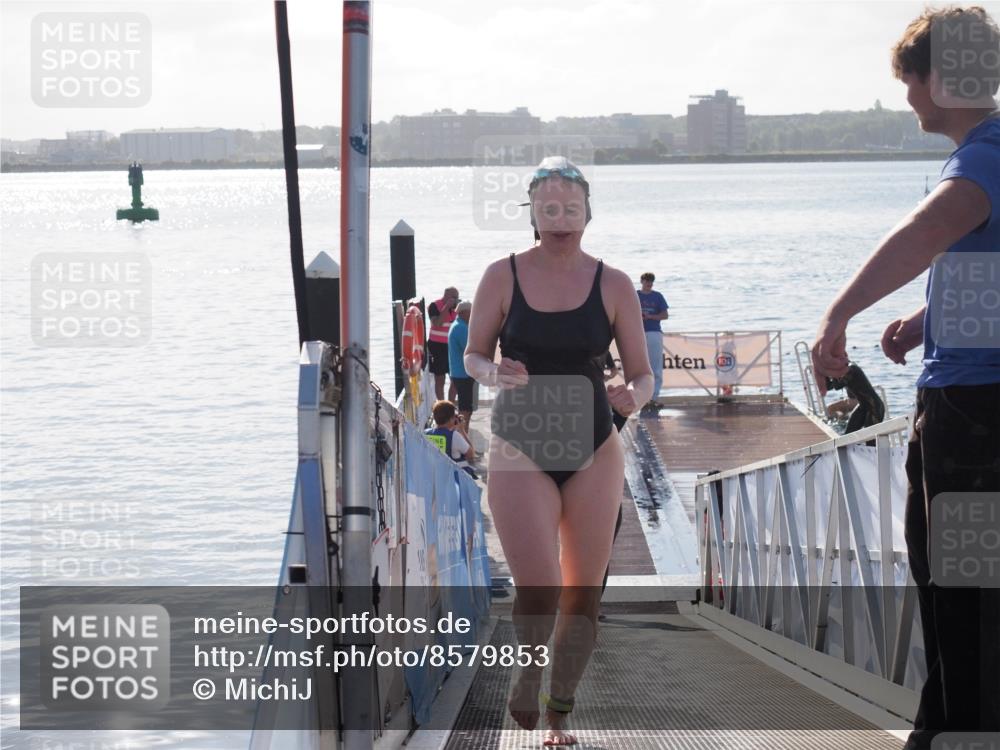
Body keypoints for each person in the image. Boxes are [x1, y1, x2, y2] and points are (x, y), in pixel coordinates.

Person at [811, 8, 999, 748]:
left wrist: (839, 314)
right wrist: (930, 320)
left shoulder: (984, 157)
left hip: (974, 418)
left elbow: (925, 232)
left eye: (911, 80)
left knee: (967, 605)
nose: (908, 98)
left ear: (942, 79)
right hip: (972, 403)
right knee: (959, 600)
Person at [465, 156, 653, 746]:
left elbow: (646, 376)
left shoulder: (614, 283)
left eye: (571, 206)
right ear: (532, 213)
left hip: (594, 446)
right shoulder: (502, 275)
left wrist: (634, 395)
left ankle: (557, 719)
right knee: (540, 590)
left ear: (588, 211)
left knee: (582, 601)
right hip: (521, 445)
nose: (561, 217)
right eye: (548, 207)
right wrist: (493, 373)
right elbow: (469, 357)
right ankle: (528, 666)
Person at [637, 272, 669, 408]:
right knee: (638, 367)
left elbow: (665, 315)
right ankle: (639, 398)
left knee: (655, 367)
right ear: (642, 281)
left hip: (654, 332)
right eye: (647, 281)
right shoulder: (635, 294)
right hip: (637, 333)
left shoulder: (658, 296)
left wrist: (650, 316)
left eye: (651, 281)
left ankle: (653, 398)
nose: (649, 283)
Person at [424, 400, 477, 478]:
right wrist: (462, 430)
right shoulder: (454, 436)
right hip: (452, 480)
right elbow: (471, 454)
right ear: (451, 419)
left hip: (433, 477)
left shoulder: (425, 434)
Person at [448, 300, 477, 428]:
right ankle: (463, 437)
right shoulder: (461, 328)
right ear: (464, 312)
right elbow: (470, 349)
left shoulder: (457, 324)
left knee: (466, 408)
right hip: (463, 374)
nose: (473, 315)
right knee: (465, 409)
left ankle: (463, 436)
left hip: (459, 372)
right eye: (472, 312)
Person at [427, 287, 459, 401]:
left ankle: (450, 404)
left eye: (457, 297)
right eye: (453, 298)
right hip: (437, 347)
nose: (456, 300)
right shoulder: (434, 306)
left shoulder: (457, 308)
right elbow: (438, 323)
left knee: (455, 379)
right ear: (446, 297)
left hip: (452, 347)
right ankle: (442, 404)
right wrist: (446, 307)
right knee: (440, 379)